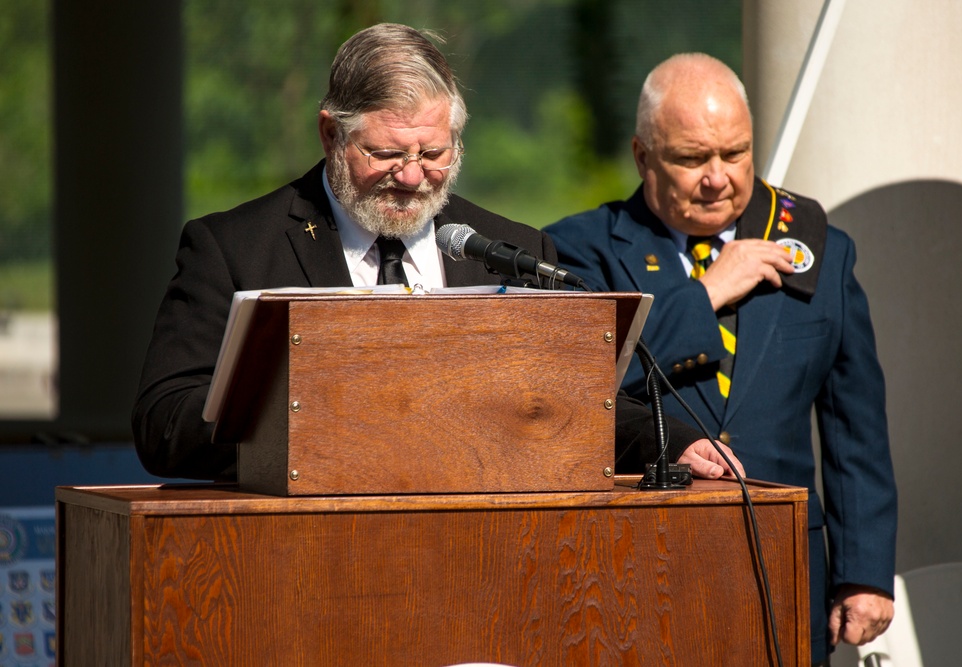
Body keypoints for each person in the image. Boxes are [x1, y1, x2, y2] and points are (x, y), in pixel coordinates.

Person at [132, 25, 742, 486]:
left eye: (435, 154)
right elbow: (163, 423)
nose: (412, 177)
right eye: (386, 154)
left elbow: (571, 405)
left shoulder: (515, 252)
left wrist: (675, 441)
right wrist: (315, 422)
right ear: (330, 134)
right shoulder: (233, 248)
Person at [544, 53, 897, 664]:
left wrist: (863, 572)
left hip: (785, 569)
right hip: (637, 572)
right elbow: (577, 391)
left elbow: (854, 423)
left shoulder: (819, 249)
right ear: (642, 157)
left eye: (734, 154)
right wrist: (704, 294)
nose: (718, 178)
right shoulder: (577, 250)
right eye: (691, 158)